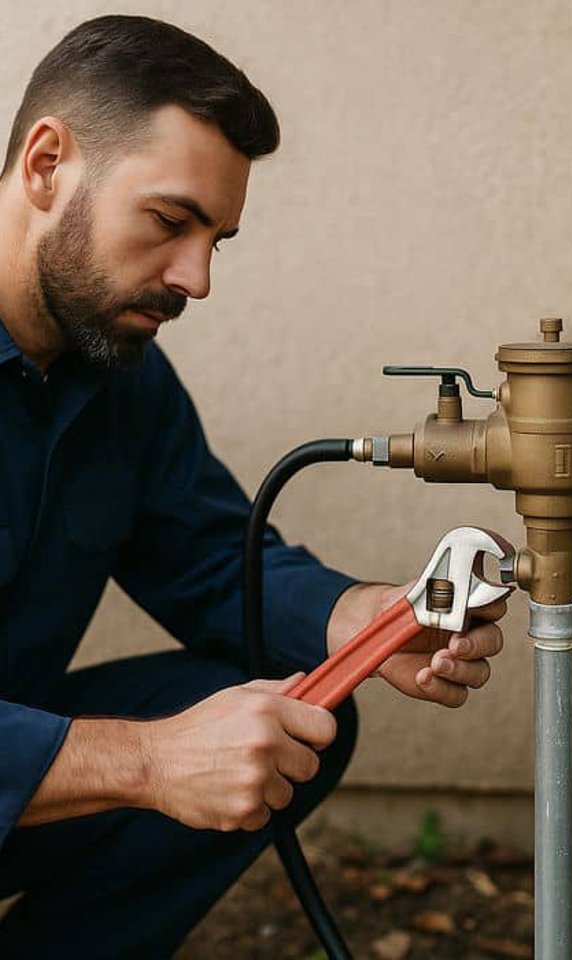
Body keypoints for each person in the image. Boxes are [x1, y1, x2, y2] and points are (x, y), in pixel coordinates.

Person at [0, 15, 507, 959]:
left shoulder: (122, 376)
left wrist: (360, 620)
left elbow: (204, 554)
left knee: (292, 714)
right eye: (168, 221)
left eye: (216, 240)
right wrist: (148, 762)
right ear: (45, 165)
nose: (195, 278)